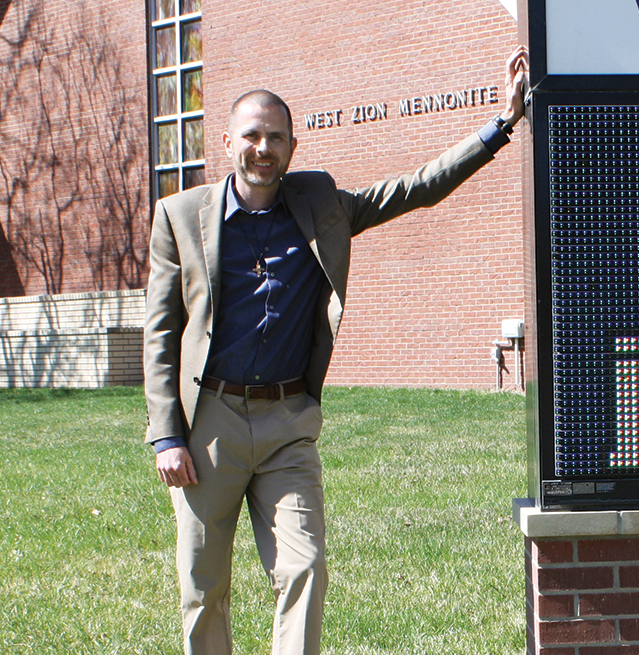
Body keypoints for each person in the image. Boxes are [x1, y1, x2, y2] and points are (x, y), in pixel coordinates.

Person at [144, 47, 528, 655]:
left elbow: (418, 188)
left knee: (306, 566)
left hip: (287, 423)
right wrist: (166, 435)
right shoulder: (180, 215)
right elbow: (161, 333)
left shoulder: (320, 203)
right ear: (227, 142)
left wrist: (501, 123)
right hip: (208, 424)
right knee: (203, 584)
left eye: (275, 137)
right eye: (251, 135)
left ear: (292, 147)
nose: (262, 148)